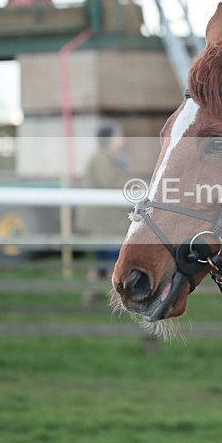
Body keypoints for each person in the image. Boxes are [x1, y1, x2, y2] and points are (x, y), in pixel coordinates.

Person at [76, 122, 131, 306]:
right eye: (118, 136)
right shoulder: (102, 159)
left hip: (103, 220)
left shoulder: (107, 158)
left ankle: (90, 295)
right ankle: (117, 298)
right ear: (110, 140)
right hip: (105, 221)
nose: (121, 140)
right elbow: (112, 182)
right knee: (113, 259)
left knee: (102, 261)